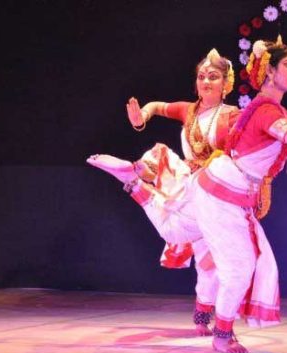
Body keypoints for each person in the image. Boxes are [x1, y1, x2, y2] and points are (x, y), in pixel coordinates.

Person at [192, 36, 287, 353]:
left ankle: (214, 314)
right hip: (222, 192)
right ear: (268, 72)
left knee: (259, 263)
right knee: (241, 265)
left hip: (232, 194)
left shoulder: (268, 109)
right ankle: (221, 334)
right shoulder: (266, 111)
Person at [87, 49, 240, 336]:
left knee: (209, 263)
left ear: (226, 84)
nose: (206, 81)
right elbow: (157, 106)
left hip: (216, 191)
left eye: (214, 77)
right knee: (162, 157)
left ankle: (203, 318)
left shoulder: (233, 116)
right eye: (202, 77)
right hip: (189, 182)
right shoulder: (189, 110)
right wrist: (141, 117)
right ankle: (135, 172)